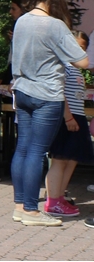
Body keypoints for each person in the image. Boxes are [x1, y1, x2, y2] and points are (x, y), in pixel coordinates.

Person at [10, 0, 88, 226]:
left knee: (22, 149)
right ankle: (32, 210)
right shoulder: (55, 25)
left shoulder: (22, 20)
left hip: (22, 90)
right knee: (37, 151)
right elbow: (82, 61)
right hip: (47, 94)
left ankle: (20, 205)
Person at [43, 31, 93, 218]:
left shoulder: (76, 68)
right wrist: (68, 117)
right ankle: (52, 201)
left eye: (83, 48)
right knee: (60, 159)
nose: (80, 51)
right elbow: (59, 92)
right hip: (67, 117)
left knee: (72, 159)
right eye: (77, 47)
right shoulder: (62, 65)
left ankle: (60, 196)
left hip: (77, 116)